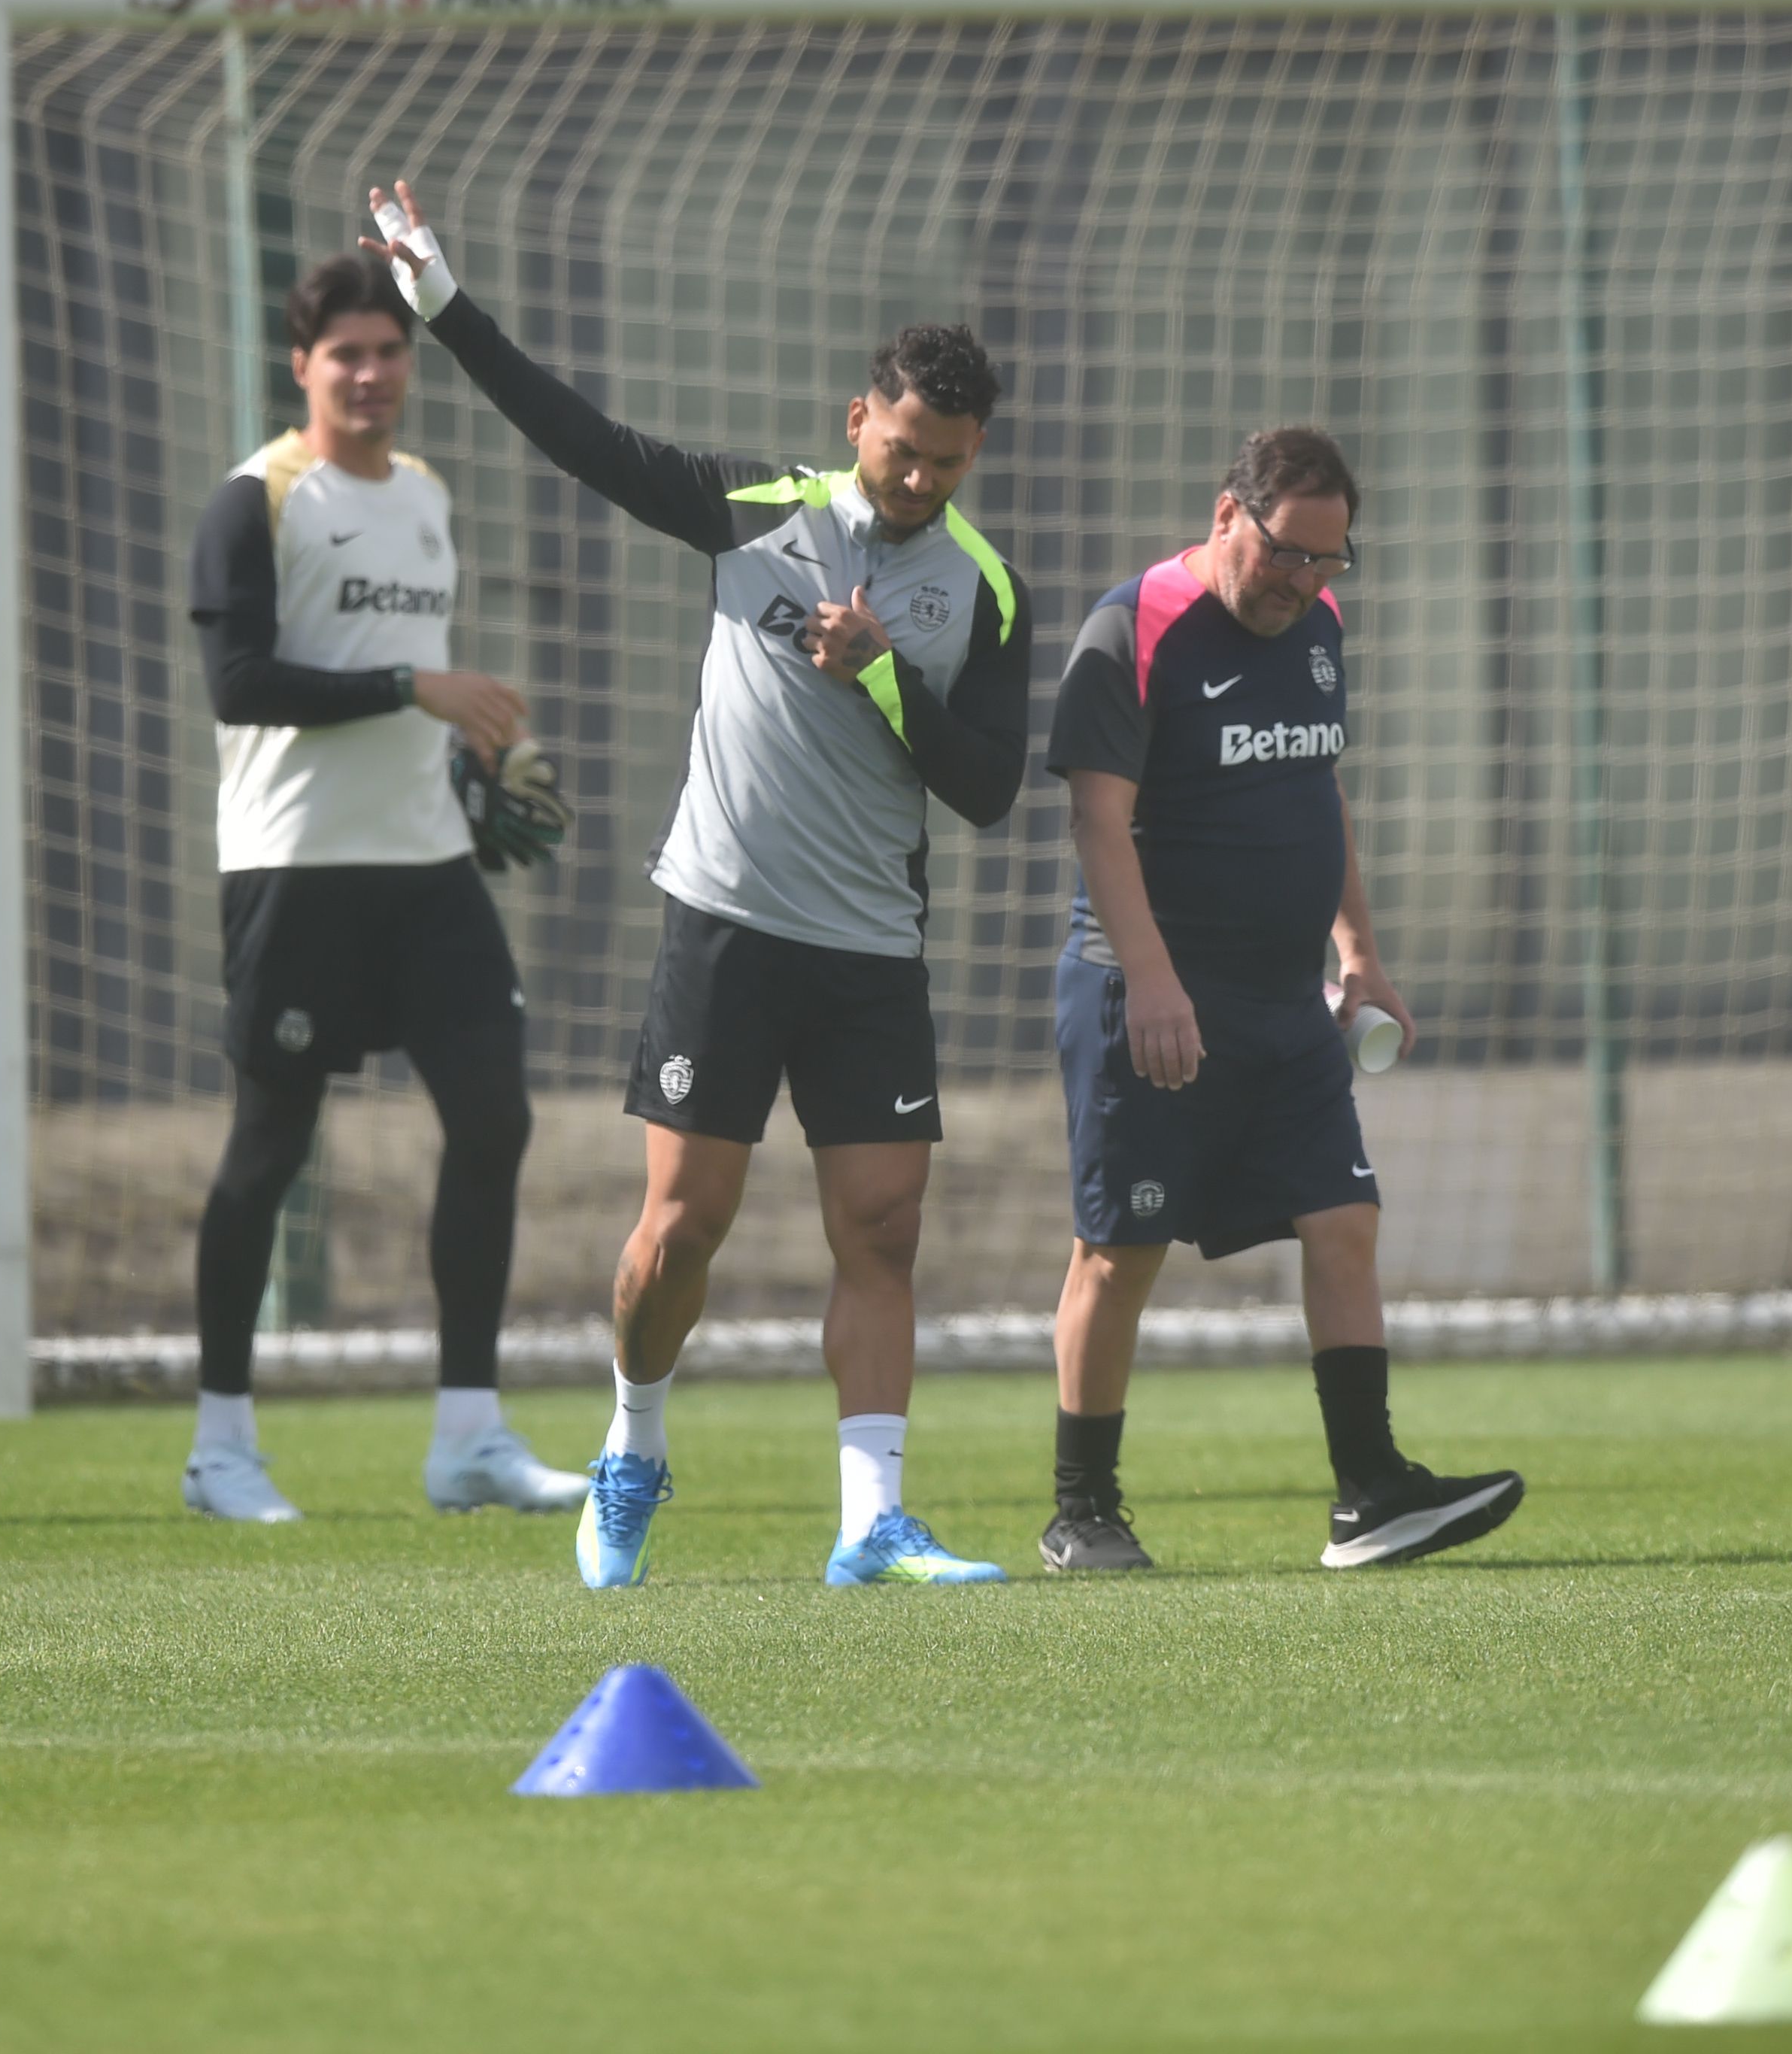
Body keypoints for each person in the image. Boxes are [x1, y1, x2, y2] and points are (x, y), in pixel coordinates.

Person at [364, 181, 1029, 1588]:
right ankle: (633, 1446)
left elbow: (987, 788)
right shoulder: (751, 511)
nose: (922, 482)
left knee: (883, 1230)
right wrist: (446, 309)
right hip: (726, 924)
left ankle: (870, 1522)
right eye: (905, 451)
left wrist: (887, 677)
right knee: (680, 1233)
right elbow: (578, 438)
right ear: (859, 422)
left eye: (949, 464)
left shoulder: (985, 590)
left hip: (871, 949)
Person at [1038, 428, 1524, 1573]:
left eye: (1328, 560)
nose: (1303, 581)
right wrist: (1152, 979)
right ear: (1228, 517)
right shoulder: (1131, 628)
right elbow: (1099, 822)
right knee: (1121, 1251)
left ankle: (1370, 1493)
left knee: (1344, 1220)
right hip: (1148, 1000)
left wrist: (1359, 952)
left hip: (1284, 1003)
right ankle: (1081, 1512)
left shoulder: (1319, 625)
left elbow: (1318, 789)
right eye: (1287, 553)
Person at [178, 253, 591, 1523]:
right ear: (300, 365)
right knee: (269, 1149)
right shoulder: (256, 500)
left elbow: (409, 679)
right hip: (294, 870)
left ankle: (468, 1436)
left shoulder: (424, 494)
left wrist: (469, 757)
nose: (371, 373)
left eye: (390, 351)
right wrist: (417, 690)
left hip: (427, 868)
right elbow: (241, 686)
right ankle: (221, 1448)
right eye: (346, 353)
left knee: (494, 1119)